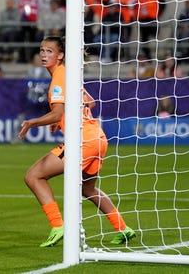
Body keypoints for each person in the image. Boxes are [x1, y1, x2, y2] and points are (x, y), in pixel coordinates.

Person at [18, 35, 136, 247]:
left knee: (33, 176)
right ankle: (123, 228)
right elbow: (90, 103)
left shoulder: (58, 78)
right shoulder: (70, 75)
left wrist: (32, 123)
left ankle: (58, 226)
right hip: (98, 138)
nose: (44, 55)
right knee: (88, 189)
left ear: (60, 55)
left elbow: (56, 113)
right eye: (42, 50)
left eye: (49, 51)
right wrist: (61, 118)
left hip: (83, 141)